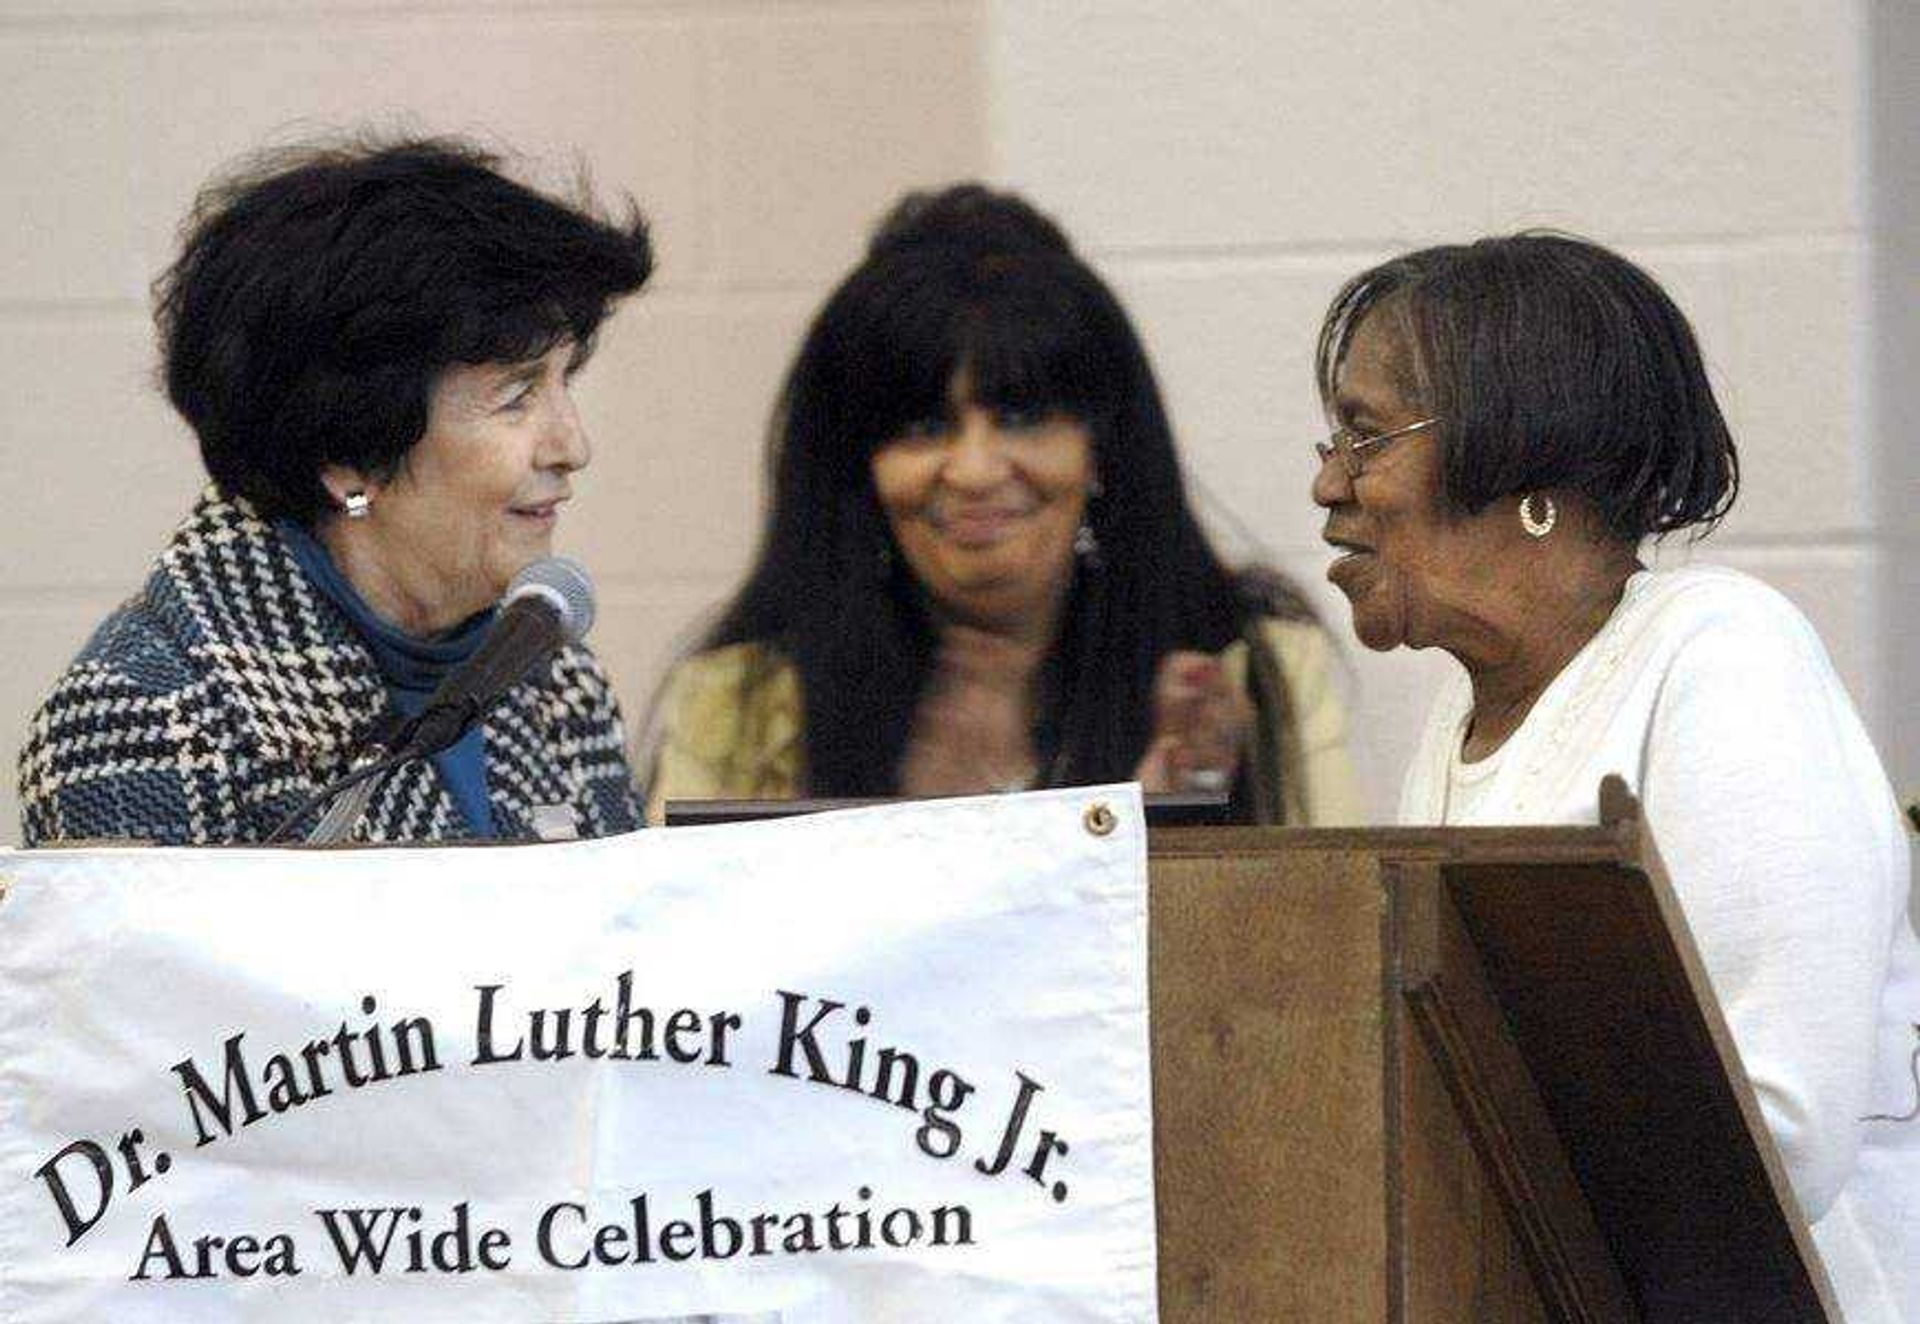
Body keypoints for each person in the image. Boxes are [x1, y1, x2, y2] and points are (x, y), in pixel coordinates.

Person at [1310, 232, 1918, 1320]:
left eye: (1364, 437)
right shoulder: (1461, 707)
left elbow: (1776, 1131)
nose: (1327, 484)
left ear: (1529, 467)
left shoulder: (1722, 655)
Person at [646, 185, 1358, 824]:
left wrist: (1181, 834)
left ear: (1100, 448)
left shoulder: (1257, 671)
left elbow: (1335, 943)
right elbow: (678, 960)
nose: (977, 470)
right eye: (926, 428)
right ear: (856, 467)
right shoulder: (736, 706)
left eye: (1021, 418)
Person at [19, 137, 653, 845]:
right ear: (348, 453)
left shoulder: (554, 680)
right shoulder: (145, 718)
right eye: (515, 397)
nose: (574, 447)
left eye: (565, 382)